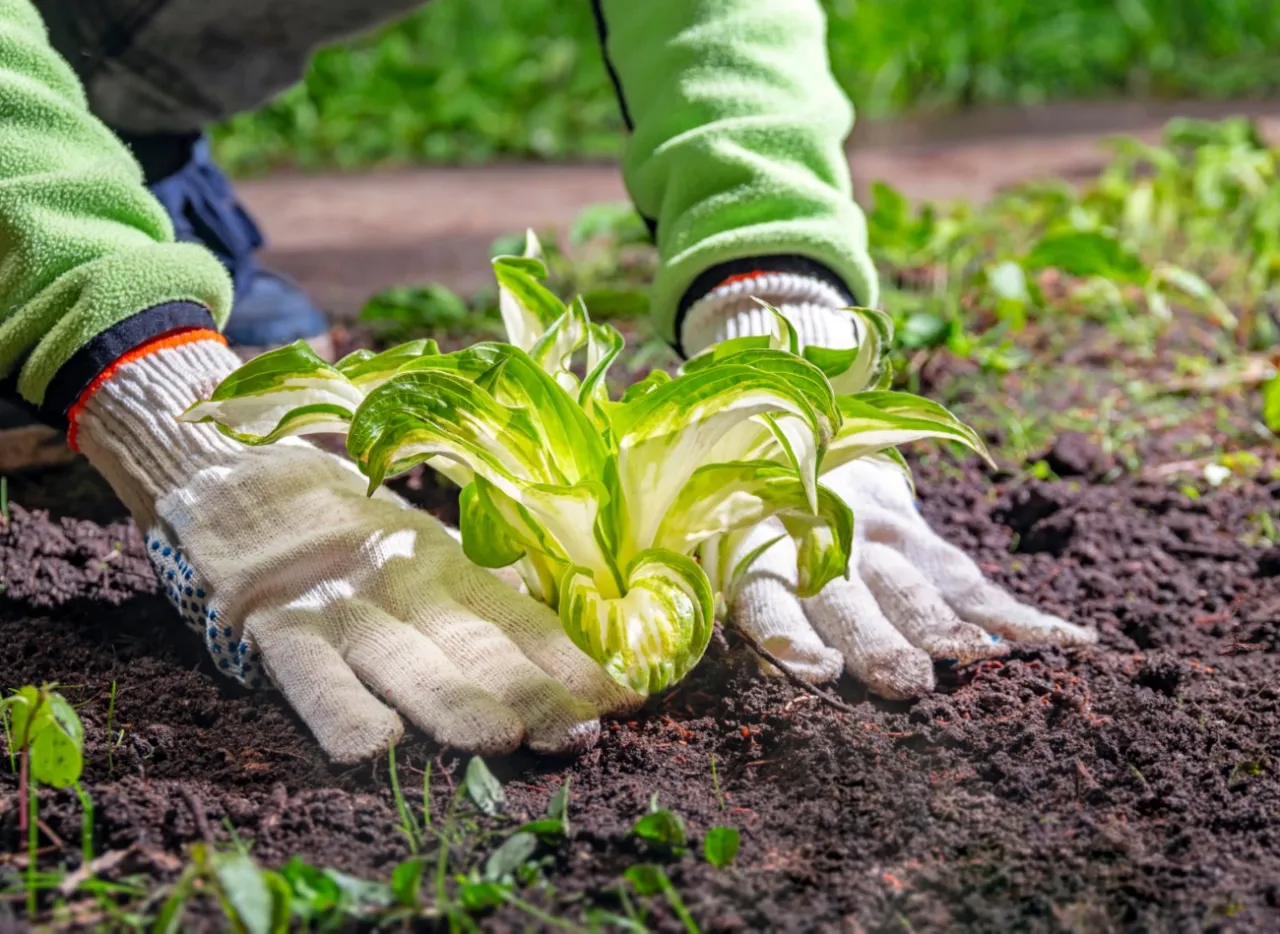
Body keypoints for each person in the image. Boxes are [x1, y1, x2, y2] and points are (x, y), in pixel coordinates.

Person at [0, 0, 1095, 763]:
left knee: (255, 327)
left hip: (115, 73)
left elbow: (717, 24)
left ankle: (133, 171)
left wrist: (783, 327)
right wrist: (135, 364)